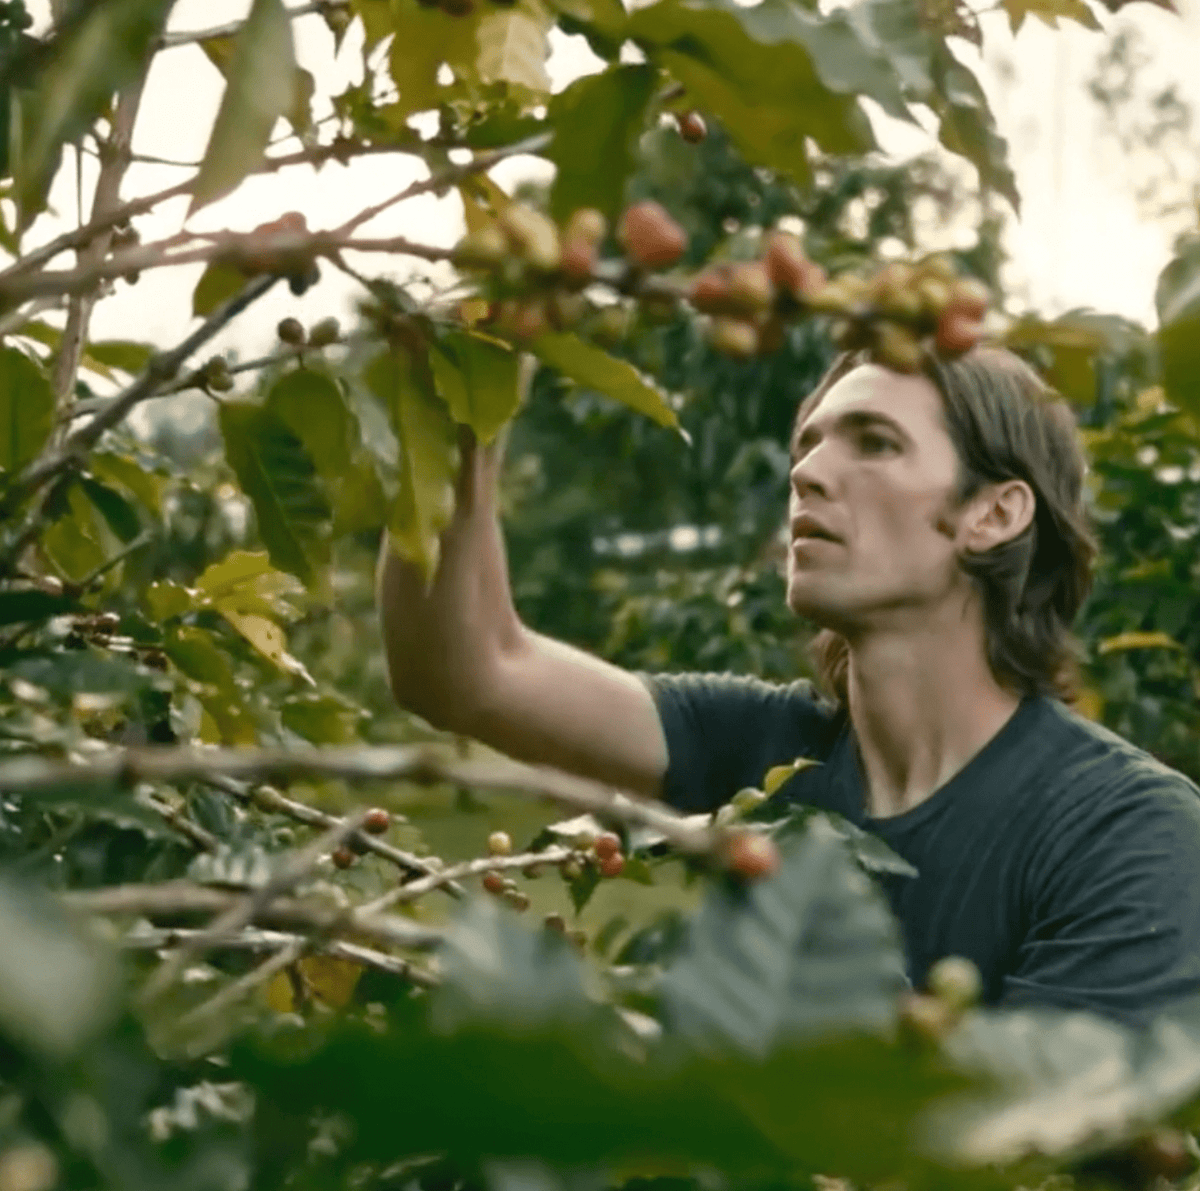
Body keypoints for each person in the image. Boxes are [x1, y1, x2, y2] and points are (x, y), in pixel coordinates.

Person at [377, 344, 1200, 1028]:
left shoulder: (1126, 831)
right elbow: (466, 669)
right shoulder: (768, 751)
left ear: (994, 513)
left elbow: (1034, 1152)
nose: (807, 470)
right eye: (810, 441)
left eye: (874, 441)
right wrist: (455, 410)